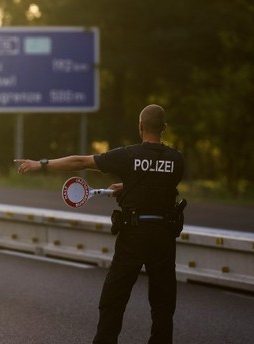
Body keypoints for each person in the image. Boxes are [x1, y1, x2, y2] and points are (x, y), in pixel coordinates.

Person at [15, 104, 184, 344]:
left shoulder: (128, 156)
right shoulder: (177, 160)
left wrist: (41, 163)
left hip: (133, 236)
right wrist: (128, 188)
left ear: (140, 126)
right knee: (163, 305)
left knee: (113, 300)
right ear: (164, 128)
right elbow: (161, 185)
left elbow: (80, 161)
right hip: (164, 238)